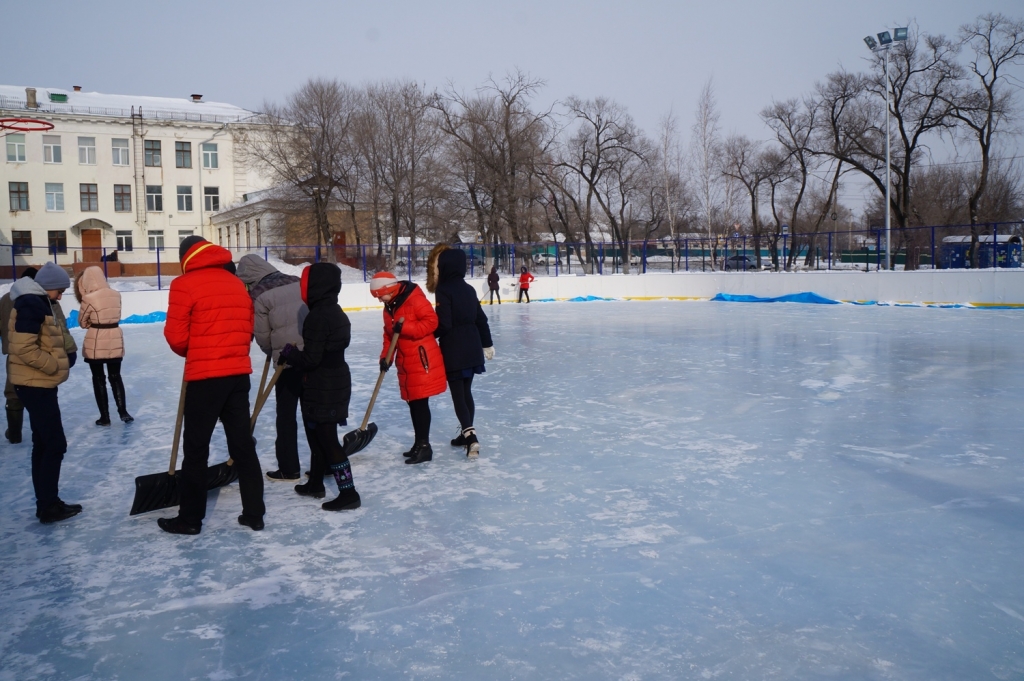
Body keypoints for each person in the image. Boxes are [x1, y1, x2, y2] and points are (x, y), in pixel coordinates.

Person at [159, 236, 265, 535]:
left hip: (205, 377)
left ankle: (190, 519)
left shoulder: (185, 284)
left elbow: (177, 338)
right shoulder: (236, 283)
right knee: (243, 446)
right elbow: (246, 331)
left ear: (186, 257)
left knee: (196, 449)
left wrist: (198, 350)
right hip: (238, 374)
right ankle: (254, 513)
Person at [279, 263, 360, 510]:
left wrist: (290, 354)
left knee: (326, 437)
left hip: (324, 383)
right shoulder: (336, 311)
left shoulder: (317, 316)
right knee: (316, 434)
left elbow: (311, 359)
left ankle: (349, 493)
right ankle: (315, 483)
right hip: (334, 381)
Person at [8, 262, 80, 523]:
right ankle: (48, 505)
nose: (61, 296)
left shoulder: (40, 302)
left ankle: (47, 503)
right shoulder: (31, 303)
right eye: (59, 290)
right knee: (54, 444)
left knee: (43, 443)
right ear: (47, 287)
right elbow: (23, 349)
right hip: (34, 384)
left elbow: (53, 336)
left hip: (38, 384)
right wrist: (54, 365)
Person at [236, 254, 307, 482]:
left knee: (286, 415)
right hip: (311, 357)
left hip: (286, 362)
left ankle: (289, 468)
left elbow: (263, 335)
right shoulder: (296, 280)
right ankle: (323, 462)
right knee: (313, 412)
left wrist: (272, 353)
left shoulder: (258, 295)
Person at [369, 271, 447, 464]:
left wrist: (405, 328)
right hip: (405, 360)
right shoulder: (390, 306)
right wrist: (385, 357)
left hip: (421, 358)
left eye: (380, 295)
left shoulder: (414, 298)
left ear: (390, 289)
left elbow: (432, 322)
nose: (380, 300)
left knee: (419, 403)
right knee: (413, 402)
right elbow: (389, 335)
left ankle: (424, 447)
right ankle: (418, 443)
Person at [434, 249, 494, 458]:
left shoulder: (443, 289)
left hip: (454, 348)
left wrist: (428, 333)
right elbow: (481, 319)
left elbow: (444, 324)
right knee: (466, 392)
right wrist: (487, 344)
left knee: (458, 395)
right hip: (472, 345)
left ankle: (470, 437)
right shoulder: (468, 289)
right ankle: (465, 434)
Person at [75, 266, 133, 426]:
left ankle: (105, 417)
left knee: (98, 378)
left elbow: (82, 322)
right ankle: (123, 411)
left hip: (96, 340)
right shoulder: (116, 294)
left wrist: (92, 324)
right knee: (116, 376)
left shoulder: (89, 298)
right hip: (115, 337)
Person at [1, 266, 38, 443]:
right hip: (38, 352)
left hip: (14, 354)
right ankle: (41, 431)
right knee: (39, 390)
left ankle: (15, 433)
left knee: (13, 392)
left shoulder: (5, 299)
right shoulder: (41, 298)